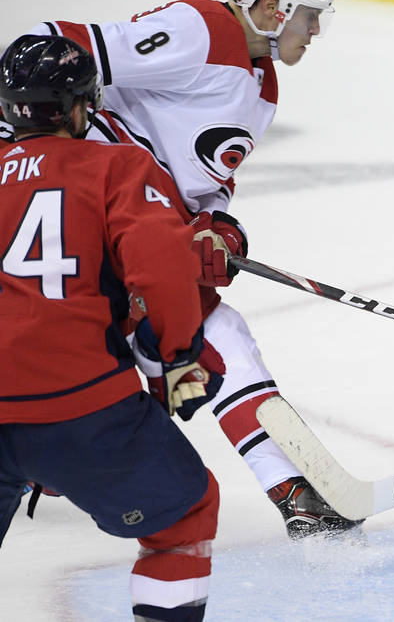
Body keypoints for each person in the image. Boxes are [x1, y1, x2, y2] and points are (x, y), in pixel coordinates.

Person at [24, 0, 357, 537]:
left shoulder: (261, 89)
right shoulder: (202, 30)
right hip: (92, 217)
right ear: (271, 6)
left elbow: (205, 184)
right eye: (308, 15)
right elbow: (62, 49)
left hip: (131, 228)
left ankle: (288, 488)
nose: (313, 31)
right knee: (187, 337)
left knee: (199, 336)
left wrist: (218, 228)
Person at [0, 35, 223, 621]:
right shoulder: (117, 165)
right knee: (186, 517)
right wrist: (174, 354)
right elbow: (164, 270)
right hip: (82, 406)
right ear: (79, 107)